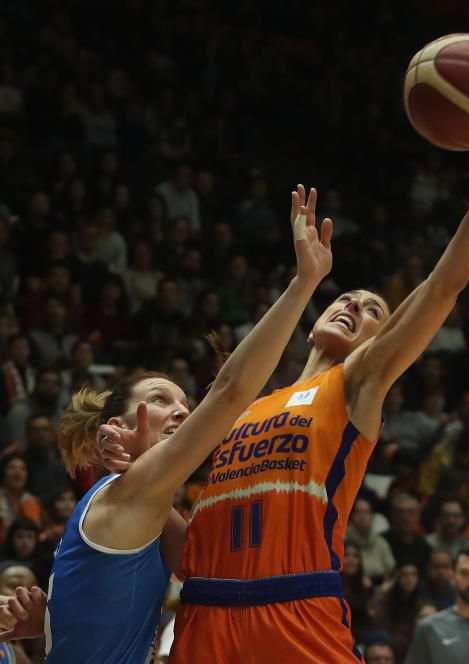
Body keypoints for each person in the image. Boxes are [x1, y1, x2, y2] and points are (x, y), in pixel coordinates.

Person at [163, 58, 469, 663]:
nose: (352, 305)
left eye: (371, 310)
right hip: (205, 613)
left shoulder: (357, 382)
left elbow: (444, 285)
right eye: (346, 297)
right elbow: (192, 550)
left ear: (378, 345)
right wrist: (138, 495)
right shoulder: (244, 405)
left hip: (294, 616)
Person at [0, 183, 335, 662]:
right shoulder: (131, 490)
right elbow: (231, 391)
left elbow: (204, 573)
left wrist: (48, 619)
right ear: (116, 425)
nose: (182, 410)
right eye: (161, 400)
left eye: (183, 401)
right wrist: (303, 284)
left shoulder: (146, 504)